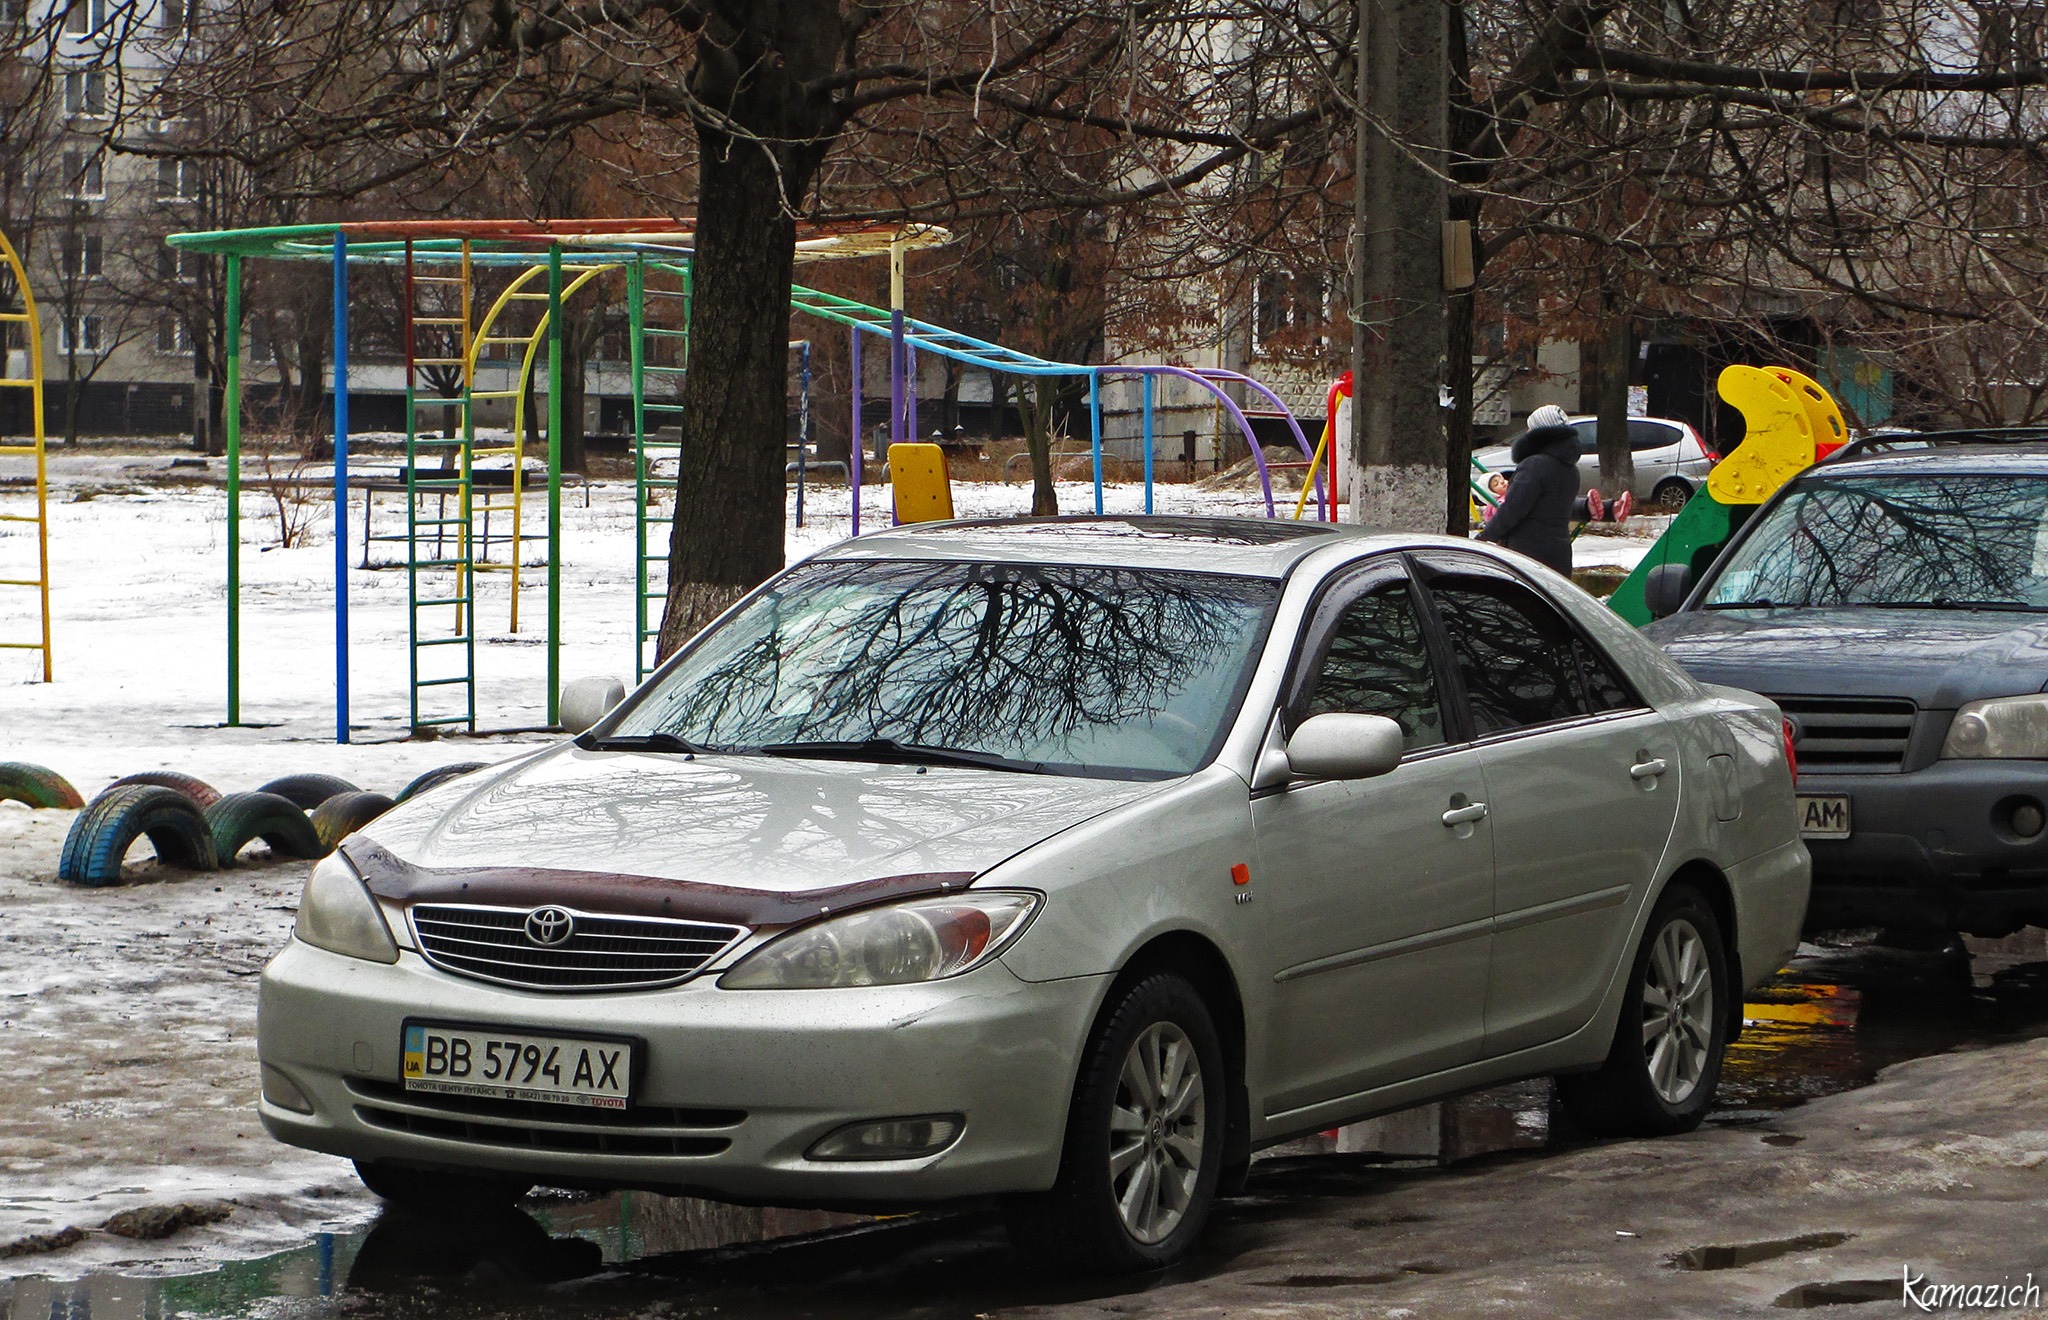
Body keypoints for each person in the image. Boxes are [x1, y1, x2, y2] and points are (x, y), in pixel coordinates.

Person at [1477, 404, 1580, 575]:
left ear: (1539, 434)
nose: (1526, 433)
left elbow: (1513, 509)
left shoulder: (1534, 465)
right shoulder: (1571, 469)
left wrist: (1485, 538)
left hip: (1529, 554)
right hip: (1559, 553)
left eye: (1530, 429)